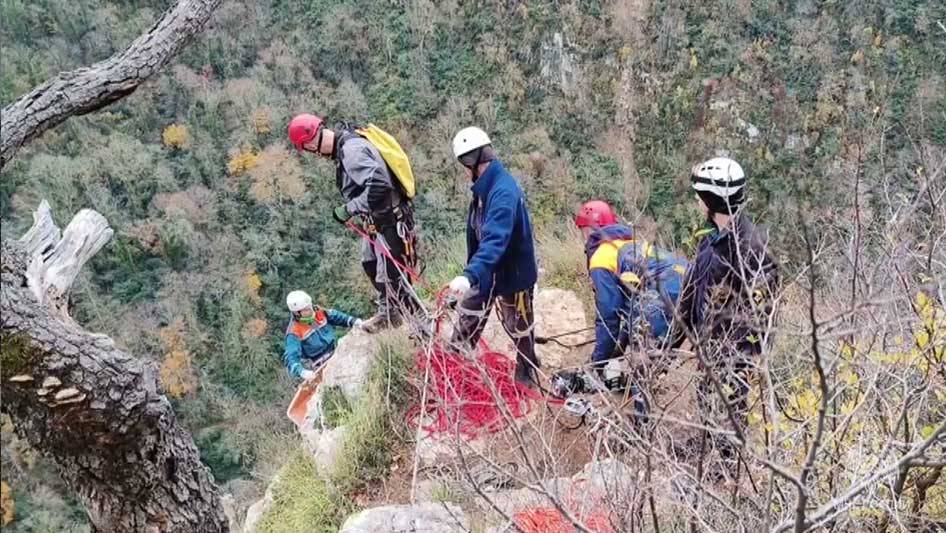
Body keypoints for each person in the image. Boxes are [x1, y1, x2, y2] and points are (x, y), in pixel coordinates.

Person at [675, 156, 779, 460]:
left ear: (711, 201)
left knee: (730, 406)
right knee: (708, 399)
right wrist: (674, 342)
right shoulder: (711, 242)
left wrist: (743, 355)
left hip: (732, 351)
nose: (696, 200)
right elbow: (690, 292)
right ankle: (708, 444)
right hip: (710, 345)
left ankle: (724, 464)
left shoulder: (753, 248)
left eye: (699, 195)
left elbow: (764, 311)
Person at [288, 114, 420, 333]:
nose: (315, 154)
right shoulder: (346, 145)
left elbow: (379, 185)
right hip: (378, 221)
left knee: (391, 275)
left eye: (307, 148)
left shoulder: (351, 151)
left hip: (390, 221)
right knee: (370, 263)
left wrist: (349, 209)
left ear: (311, 143)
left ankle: (412, 321)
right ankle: (393, 313)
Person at [552, 200, 688, 399]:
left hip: (663, 294)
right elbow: (629, 307)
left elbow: (609, 318)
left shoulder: (601, 257)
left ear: (588, 231)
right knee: (655, 357)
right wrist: (620, 346)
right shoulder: (629, 244)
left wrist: (597, 364)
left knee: (642, 363)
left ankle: (641, 424)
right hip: (687, 284)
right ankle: (645, 395)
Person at [445, 127, 541, 386]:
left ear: (471, 161)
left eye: (464, 164)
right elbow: (480, 235)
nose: (464, 171)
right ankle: (455, 365)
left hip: (512, 273)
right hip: (487, 270)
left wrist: (469, 275)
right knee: (469, 313)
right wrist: (473, 274)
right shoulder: (483, 189)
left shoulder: (502, 192)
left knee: (519, 325)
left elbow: (495, 240)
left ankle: (526, 368)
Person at [283, 290, 364, 381]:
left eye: (310, 306)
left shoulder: (318, 312)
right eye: (306, 310)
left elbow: (336, 316)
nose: (310, 311)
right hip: (319, 365)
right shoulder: (294, 332)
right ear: (297, 313)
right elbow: (291, 358)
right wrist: (302, 371)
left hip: (336, 352)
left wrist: (353, 321)